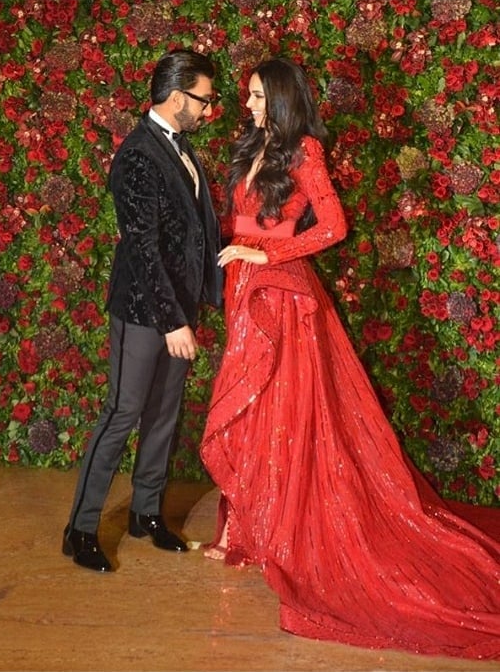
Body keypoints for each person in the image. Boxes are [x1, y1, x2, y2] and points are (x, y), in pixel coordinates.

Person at [200, 58, 500, 659]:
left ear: (281, 100)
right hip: (244, 292)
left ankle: (276, 531)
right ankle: (248, 528)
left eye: (257, 96)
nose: (248, 105)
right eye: (249, 96)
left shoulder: (304, 150)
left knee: (284, 411)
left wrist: (265, 255)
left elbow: (334, 226)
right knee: (254, 411)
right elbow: (238, 219)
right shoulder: (251, 146)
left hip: (282, 297)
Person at [63, 49, 222, 572]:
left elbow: (195, 230)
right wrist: (172, 321)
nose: (209, 110)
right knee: (123, 414)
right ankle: (80, 529)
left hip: (179, 308)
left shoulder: (180, 146)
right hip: (142, 310)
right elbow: (143, 248)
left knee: (162, 415)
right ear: (177, 98)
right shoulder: (137, 155)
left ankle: (146, 513)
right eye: (204, 100)